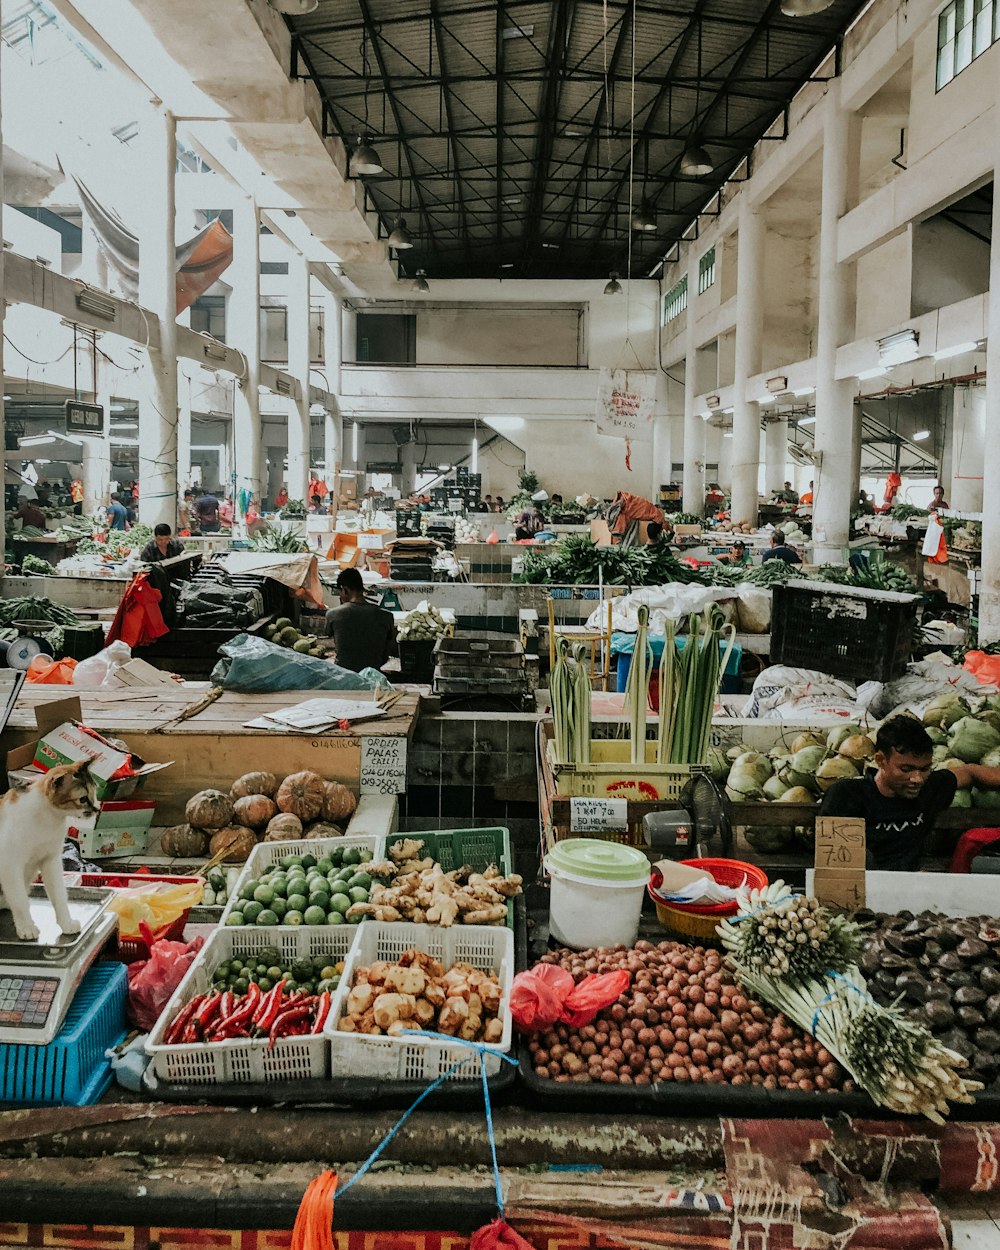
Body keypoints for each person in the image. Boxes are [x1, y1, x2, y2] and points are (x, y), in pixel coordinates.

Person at [820, 716, 1000, 871]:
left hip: (908, 889)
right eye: (906, 769)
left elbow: (970, 772)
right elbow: (833, 861)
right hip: (861, 891)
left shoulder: (931, 788)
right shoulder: (846, 795)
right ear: (881, 760)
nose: (917, 779)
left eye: (924, 769)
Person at [325, 567, 396, 673]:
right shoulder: (386, 616)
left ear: (345, 590)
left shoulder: (333, 614)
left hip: (343, 675)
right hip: (373, 674)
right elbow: (387, 650)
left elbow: (329, 639)